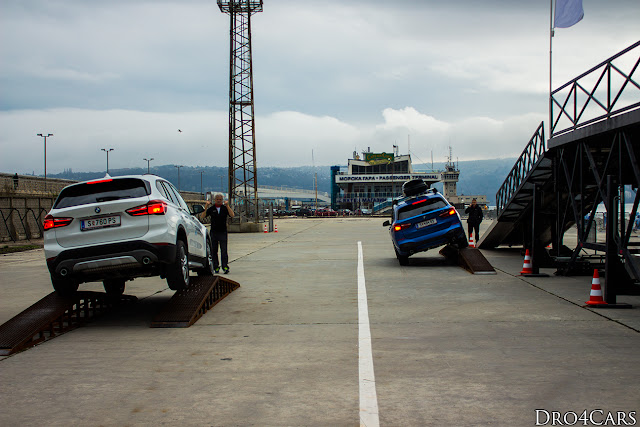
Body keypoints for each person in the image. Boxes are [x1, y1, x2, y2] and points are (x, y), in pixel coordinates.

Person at [201, 194, 235, 274]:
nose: (219, 200)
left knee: (224, 250)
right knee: (214, 251)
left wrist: (227, 206)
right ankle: (216, 266)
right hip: (214, 232)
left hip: (223, 232)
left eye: (220, 199)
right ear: (215, 200)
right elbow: (203, 216)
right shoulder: (211, 208)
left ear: (222, 200)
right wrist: (206, 206)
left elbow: (232, 215)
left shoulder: (224, 208)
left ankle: (225, 266)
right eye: (217, 199)